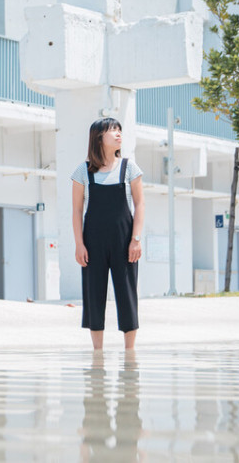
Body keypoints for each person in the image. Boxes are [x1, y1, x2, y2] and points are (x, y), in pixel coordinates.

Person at [71, 118, 144, 350]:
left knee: (127, 295)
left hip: (124, 241)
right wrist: (79, 244)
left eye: (119, 129)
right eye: (112, 130)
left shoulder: (129, 168)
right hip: (93, 242)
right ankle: (97, 354)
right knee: (94, 296)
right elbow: (76, 210)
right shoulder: (82, 171)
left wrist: (136, 239)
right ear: (98, 137)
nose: (118, 133)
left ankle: (130, 352)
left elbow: (140, 205)